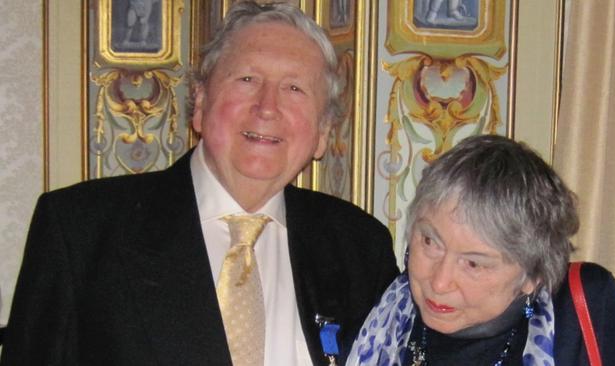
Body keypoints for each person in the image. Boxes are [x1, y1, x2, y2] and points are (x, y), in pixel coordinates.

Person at [0, 2, 398, 366]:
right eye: (246, 79)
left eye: (295, 88)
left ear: (324, 133)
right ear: (201, 102)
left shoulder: (359, 248)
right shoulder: (81, 234)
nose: (267, 107)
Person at [346, 134, 615, 365]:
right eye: (430, 242)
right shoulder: (383, 324)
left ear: (532, 274)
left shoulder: (584, 312)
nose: (439, 282)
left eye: (474, 264)